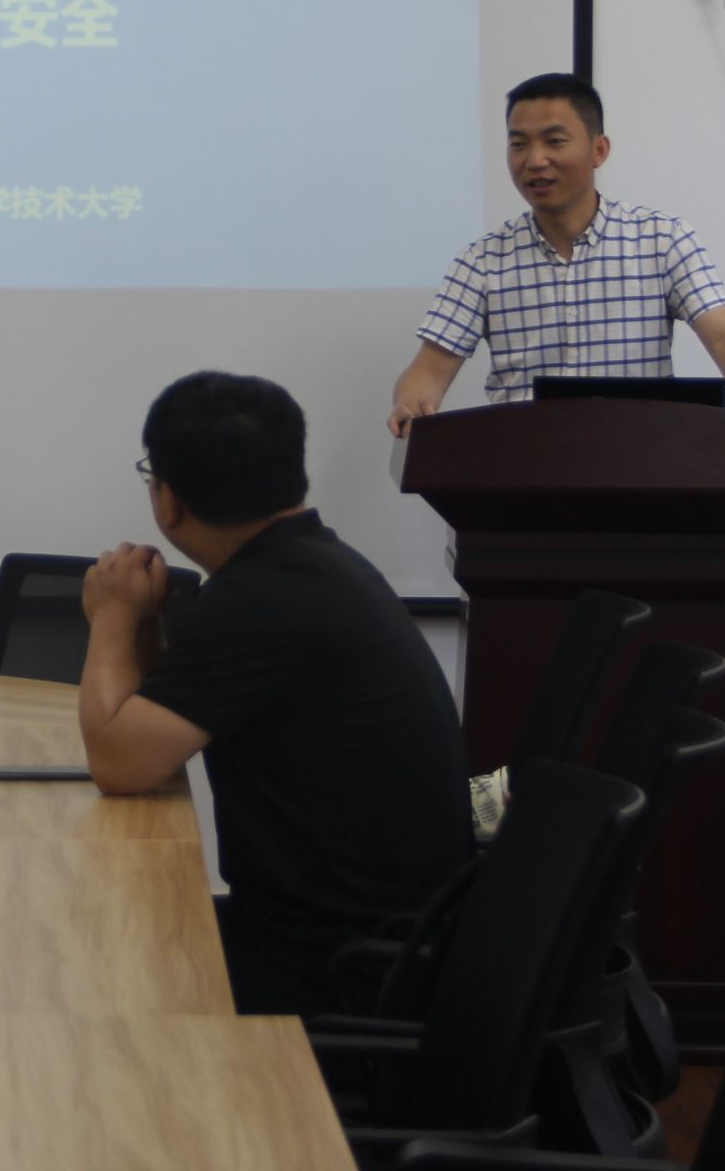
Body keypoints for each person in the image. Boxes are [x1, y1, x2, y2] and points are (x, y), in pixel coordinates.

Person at [79, 371, 474, 1017]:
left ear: (168, 500)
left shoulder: (259, 599)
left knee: (96, 964)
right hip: (395, 942)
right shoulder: (307, 567)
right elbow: (157, 729)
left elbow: (119, 763)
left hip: (337, 969)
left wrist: (114, 614)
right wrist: (145, 622)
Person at [389, 72, 725, 435]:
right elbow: (429, 369)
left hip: (642, 465)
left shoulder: (662, 239)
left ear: (599, 150)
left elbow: (722, 333)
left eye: (554, 141)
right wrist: (411, 403)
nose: (535, 160)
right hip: (522, 470)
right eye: (518, 144)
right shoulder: (482, 260)